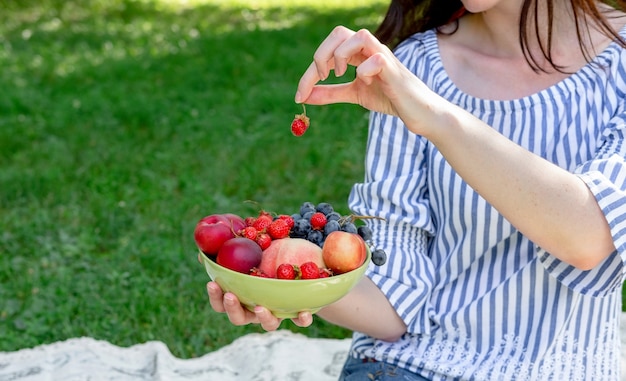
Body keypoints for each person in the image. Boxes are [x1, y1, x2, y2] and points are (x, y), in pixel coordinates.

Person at [206, 0, 626, 379]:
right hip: (405, 368)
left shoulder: (620, 62)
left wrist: (434, 116)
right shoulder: (411, 66)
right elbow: (394, 304)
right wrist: (280, 282)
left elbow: (588, 236)